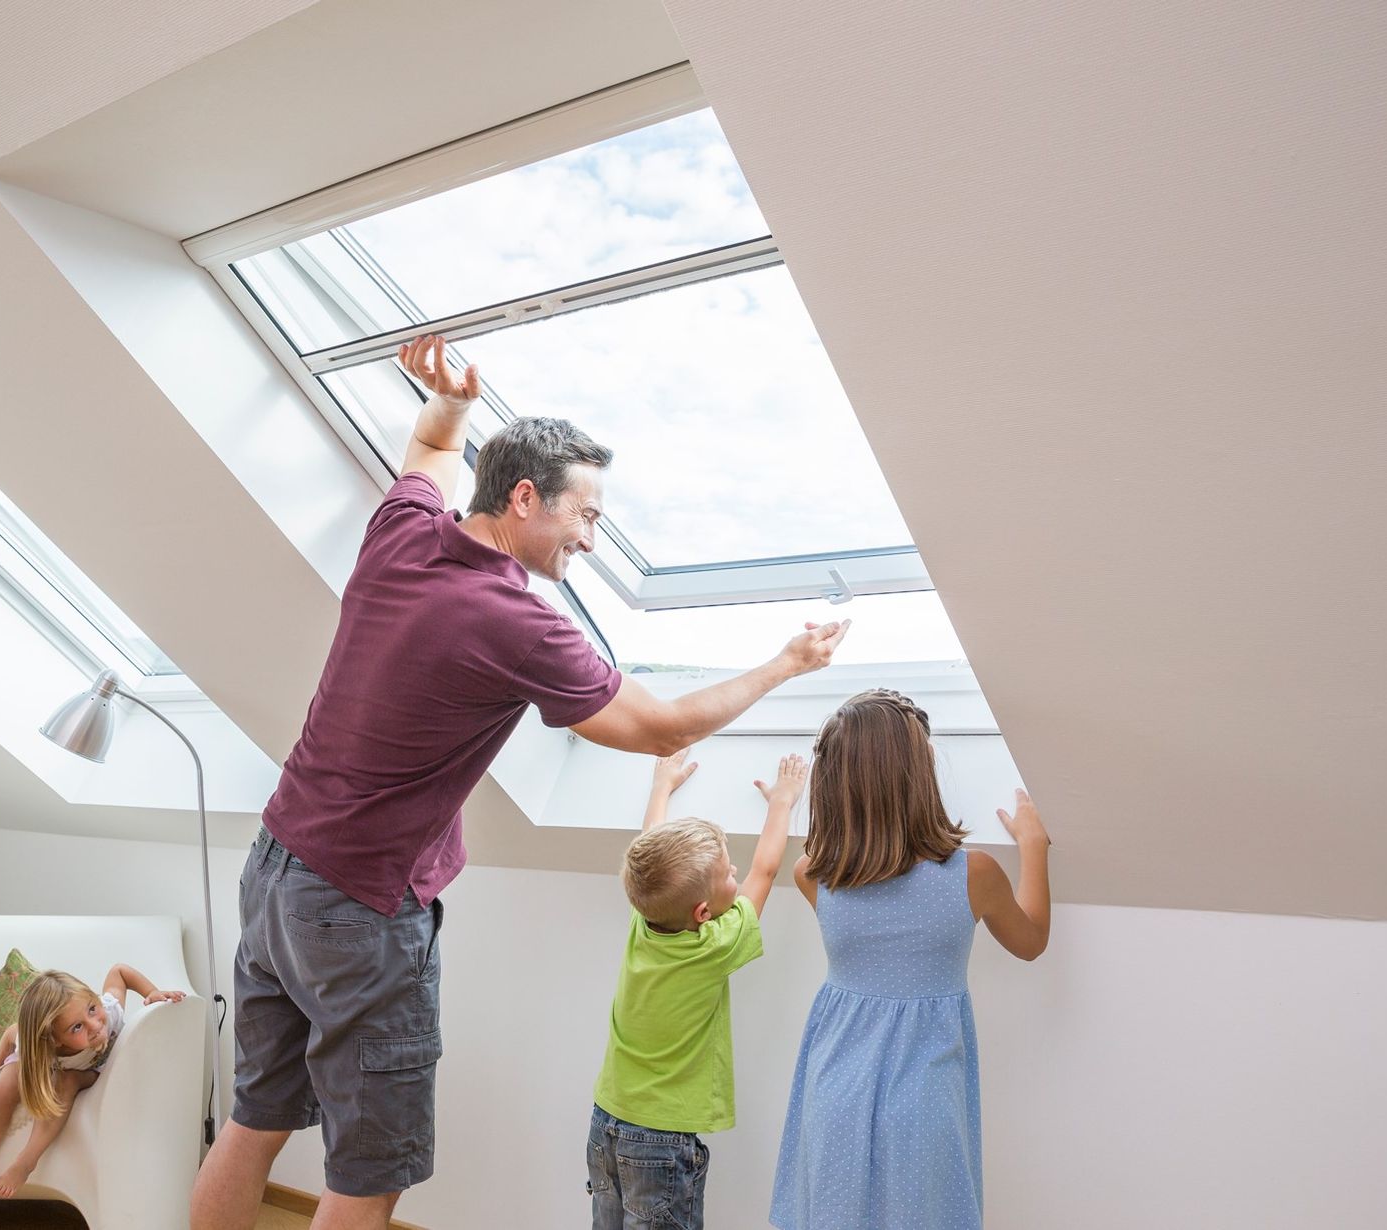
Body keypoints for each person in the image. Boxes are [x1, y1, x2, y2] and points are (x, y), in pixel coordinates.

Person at [191, 336, 850, 1230]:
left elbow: (426, 454)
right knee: (367, 1170)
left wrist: (452, 406)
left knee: (253, 1122)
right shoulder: (514, 621)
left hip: (275, 870)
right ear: (526, 497)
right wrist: (785, 662)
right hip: (356, 907)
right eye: (586, 514)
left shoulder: (404, 532)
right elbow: (658, 727)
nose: (591, 536)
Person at [769, 689, 1051, 1229]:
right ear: (919, 775)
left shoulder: (814, 876)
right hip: (926, 1098)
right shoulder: (974, 876)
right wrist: (1033, 847)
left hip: (833, 1089)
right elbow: (1031, 939)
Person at [588, 749, 806, 1229]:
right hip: (661, 1138)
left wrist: (661, 787)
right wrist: (782, 804)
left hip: (606, 1121)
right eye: (728, 874)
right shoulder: (714, 946)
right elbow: (765, 872)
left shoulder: (643, 919)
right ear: (703, 913)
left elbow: (648, 851)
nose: (736, 875)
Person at [0, 965, 187, 1224]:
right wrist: (1, 1062)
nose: (95, 1025)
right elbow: (11, 1038)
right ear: (56, 1040)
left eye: (92, 1009)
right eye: (77, 1027)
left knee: (67, 1079)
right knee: (6, 1084)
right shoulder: (39, 1046)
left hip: (86, 1071)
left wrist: (151, 993)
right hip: (43, 1057)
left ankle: (26, 1162)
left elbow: (119, 972)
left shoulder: (110, 1011)